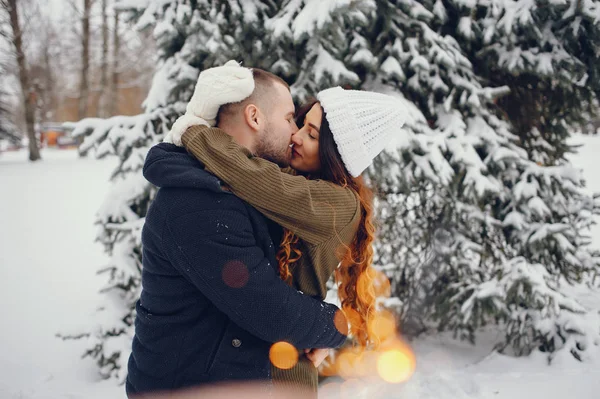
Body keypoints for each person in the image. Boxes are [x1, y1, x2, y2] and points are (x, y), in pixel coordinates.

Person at [167, 62, 407, 396]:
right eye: (300, 124)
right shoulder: (301, 182)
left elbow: (251, 176)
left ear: (333, 154)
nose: (295, 136)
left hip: (283, 374)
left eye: (311, 135)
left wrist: (193, 129)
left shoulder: (337, 204)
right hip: (265, 357)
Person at [126, 62, 349, 397]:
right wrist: (335, 326)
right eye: (289, 119)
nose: (294, 132)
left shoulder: (242, 187)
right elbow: (267, 307)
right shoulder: (197, 203)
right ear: (255, 117)